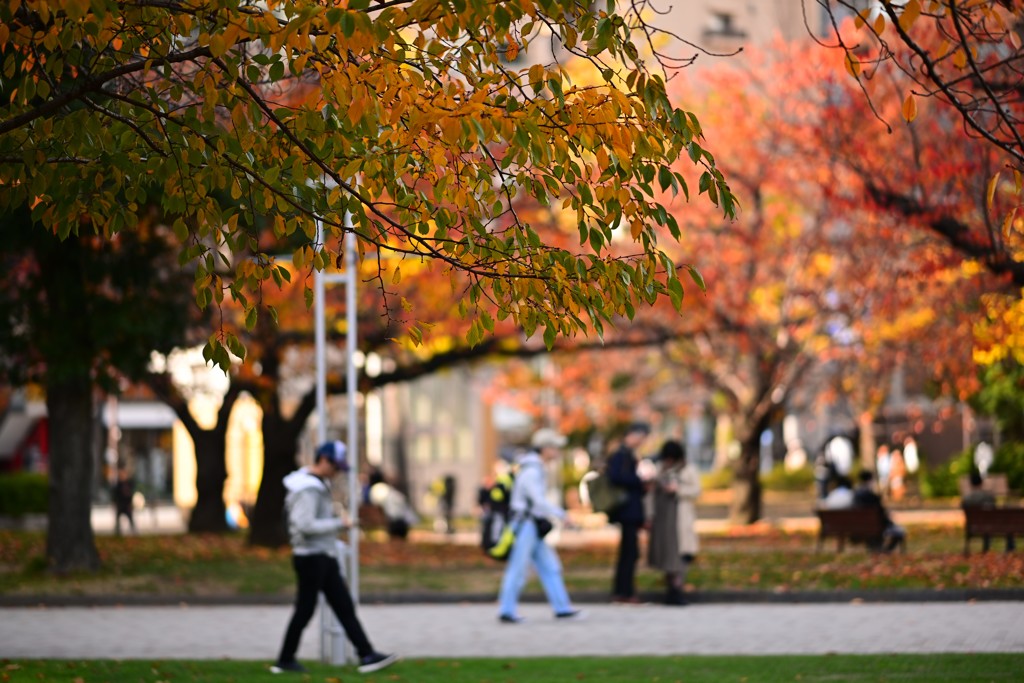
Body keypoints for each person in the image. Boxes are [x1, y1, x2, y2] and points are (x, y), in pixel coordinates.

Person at [272, 441, 398, 675]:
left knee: (342, 606)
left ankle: (366, 654)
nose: (337, 471)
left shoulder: (310, 484)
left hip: (321, 555)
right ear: (324, 460)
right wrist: (339, 524)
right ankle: (285, 659)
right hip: (312, 556)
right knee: (306, 609)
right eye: (336, 466)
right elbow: (305, 524)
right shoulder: (308, 488)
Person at [497, 428, 583, 623]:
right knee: (518, 569)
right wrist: (563, 515)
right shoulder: (531, 471)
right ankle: (506, 610)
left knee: (550, 566)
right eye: (555, 448)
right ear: (545, 448)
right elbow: (538, 502)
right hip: (525, 525)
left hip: (533, 526)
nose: (558, 452)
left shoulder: (535, 468)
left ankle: (562, 607)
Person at [647, 440, 701, 606]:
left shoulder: (689, 470)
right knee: (667, 555)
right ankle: (670, 589)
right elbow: (651, 495)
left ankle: (677, 589)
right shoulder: (659, 470)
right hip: (663, 519)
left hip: (680, 518)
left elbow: (697, 491)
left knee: (681, 555)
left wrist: (677, 490)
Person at [607, 421, 652, 603]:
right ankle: (624, 592)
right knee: (629, 553)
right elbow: (616, 477)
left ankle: (624, 591)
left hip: (631, 510)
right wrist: (638, 481)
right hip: (627, 511)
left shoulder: (629, 455)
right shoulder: (620, 455)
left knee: (630, 552)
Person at [852, 470, 906, 553]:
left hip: (860, 526)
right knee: (899, 531)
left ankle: (878, 548)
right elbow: (881, 513)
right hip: (876, 526)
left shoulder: (855, 494)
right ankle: (886, 551)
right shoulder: (871, 496)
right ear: (870, 480)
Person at [961, 471, 1014, 552]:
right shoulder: (988, 496)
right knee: (1007, 524)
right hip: (990, 525)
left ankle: (985, 548)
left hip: (972, 526)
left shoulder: (967, 499)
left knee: (985, 522)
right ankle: (1010, 548)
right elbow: (994, 507)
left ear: (971, 483)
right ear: (981, 482)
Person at [112, 464, 136, 536]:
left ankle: (133, 531)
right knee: (118, 519)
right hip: (120, 504)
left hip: (127, 504)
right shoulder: (118, 484)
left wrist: (131, 504)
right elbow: (115, 495)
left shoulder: (129, 483)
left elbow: (131, 494)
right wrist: (115, 503)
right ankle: (117, 531)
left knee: (130, 519)